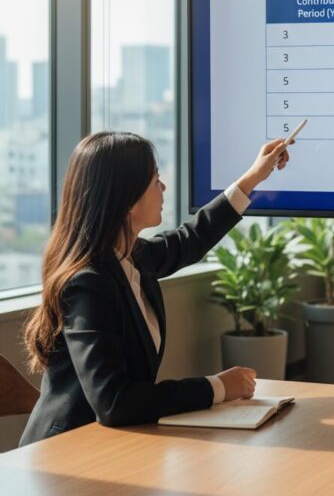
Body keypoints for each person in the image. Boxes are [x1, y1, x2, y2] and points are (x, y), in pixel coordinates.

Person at [20, 131, 289, 446]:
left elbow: (193, 238)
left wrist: (253, 177)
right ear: (127, 199)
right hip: (66, 454)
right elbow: (114, 402)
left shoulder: (132, 257)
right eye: (155, 180)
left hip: (113, 446)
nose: (163, 188)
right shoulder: (88, 283)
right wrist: (216, 387)